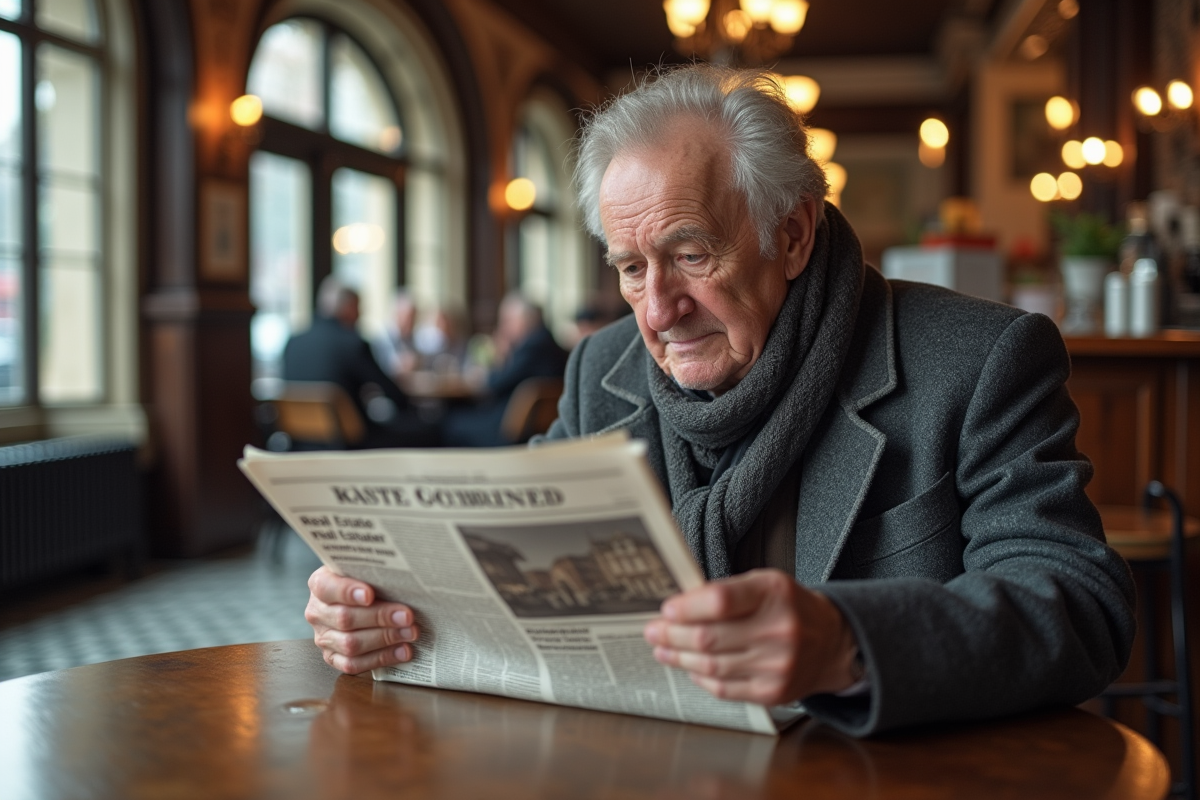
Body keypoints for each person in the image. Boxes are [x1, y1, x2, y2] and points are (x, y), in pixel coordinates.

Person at [302, 66, 1134, 737]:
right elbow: (508, 561)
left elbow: (1079, 602)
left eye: (691, 254)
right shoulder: (602, 371)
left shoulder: (977, 360)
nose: (658, 311)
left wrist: (847, 643)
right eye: (631, 268)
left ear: (793, 234)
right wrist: (380, 602)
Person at [283, 277, 440, 448]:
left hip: (301, 443)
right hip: (350, 443)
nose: (360, 314)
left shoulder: (293, 342)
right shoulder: (353, 343)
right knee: (431, 430)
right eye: (358, 307)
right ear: (349, 307)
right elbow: (390, 392)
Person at [441, 292, 568, 447]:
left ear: (525, 320)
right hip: (533, 428)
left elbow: (494, 384)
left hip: (509, 429)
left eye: (507, 321)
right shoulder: (548, 343)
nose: (503, 327)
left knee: (451, 422)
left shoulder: (532, 347)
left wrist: (500, 357)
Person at [370, 290, 419, 379]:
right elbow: (384, 367)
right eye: (409, 317)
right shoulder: (382, 337)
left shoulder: (410, 336)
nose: (413, 322)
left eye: (414, 317)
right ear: (397, 314)